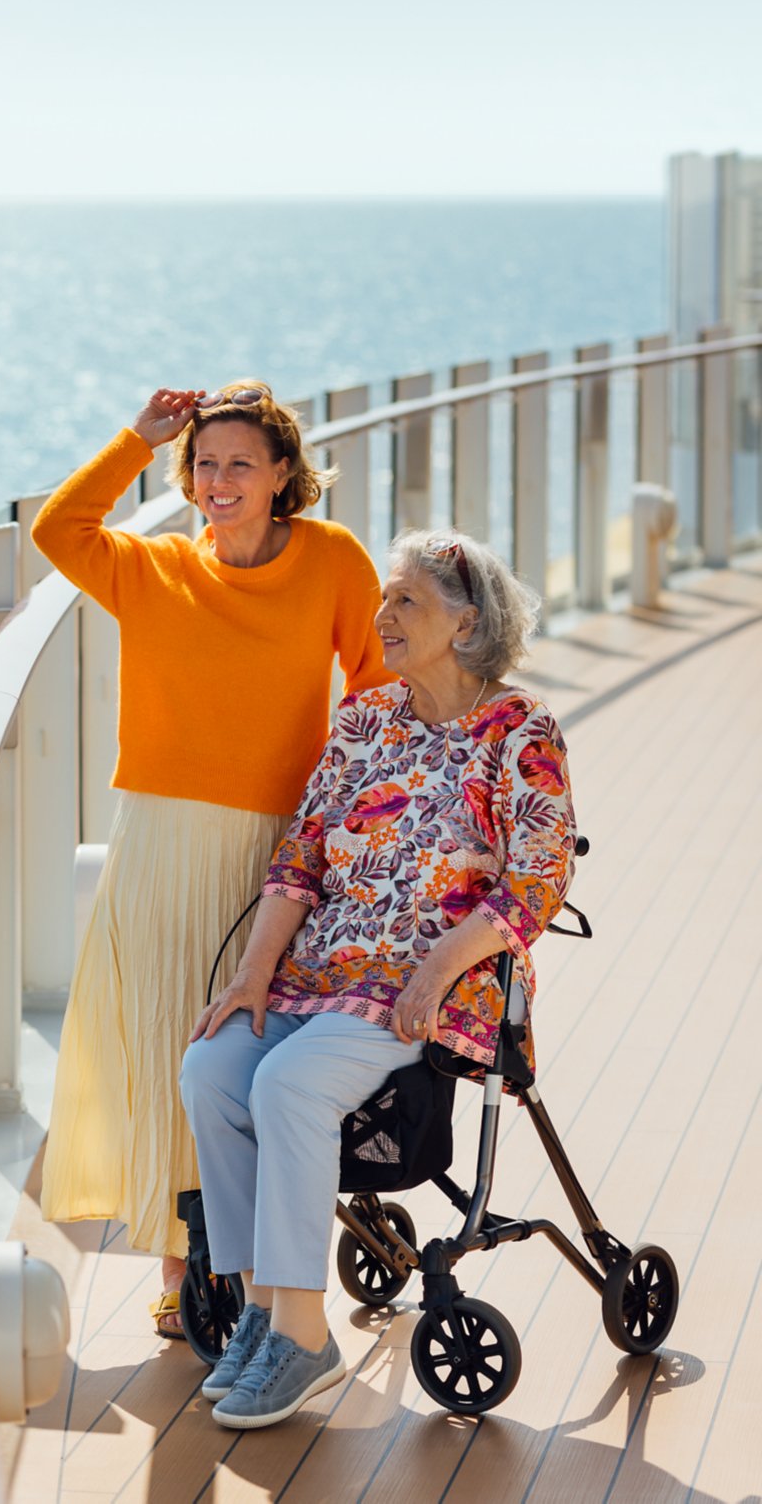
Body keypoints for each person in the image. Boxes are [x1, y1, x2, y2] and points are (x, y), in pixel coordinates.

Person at [178, 529, 575, 1430]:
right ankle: (262, 1313)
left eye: (406, 602)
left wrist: (435, 969)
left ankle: (306, 1338)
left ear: (466, 622)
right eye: (385, 598)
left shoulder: (522, 732)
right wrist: (251, 976)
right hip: (317, 971)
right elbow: (302, 856)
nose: (382, 615)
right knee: (211, 1066)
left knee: (286, 1082)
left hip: (432, 984)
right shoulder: (366, 719)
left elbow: (539, 878)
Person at [33, 382, 390, 1338]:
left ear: (284, 474)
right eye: (202, 463)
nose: (218, 480)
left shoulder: (332, 560)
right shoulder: (151, 572)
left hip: (277, 857)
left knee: (247, 1054)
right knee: (168, 1052)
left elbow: (379, 685)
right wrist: (135, 440)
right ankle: (180, 1270)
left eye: (240, 462)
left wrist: (358, 813)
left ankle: (263, 1270)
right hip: (158, 850)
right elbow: (59, 531)